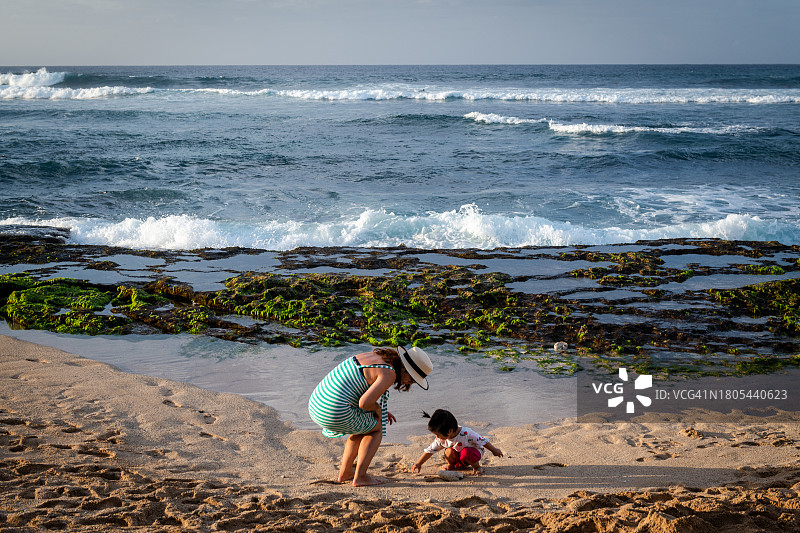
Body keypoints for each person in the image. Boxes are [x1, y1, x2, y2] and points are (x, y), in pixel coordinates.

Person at [308, 346, 433, 486]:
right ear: (405, 369)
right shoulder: (390, 374)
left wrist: (377, 410)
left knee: (365, 426)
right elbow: (364, 403)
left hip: (317, 405)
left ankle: (346, 472)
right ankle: (360, 476)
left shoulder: (375, 357)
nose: (410, 383)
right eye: (413, 379)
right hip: (334, 411)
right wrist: (378, 409)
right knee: (376, 429)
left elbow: (356, 392)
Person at [412, 409, 503, 476]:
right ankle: (452, 465)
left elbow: (483, 441)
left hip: (472, 453)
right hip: (458, 454)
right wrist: (419, 463)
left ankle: (477, 467)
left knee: (466, 453)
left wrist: (494, 450)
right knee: (448, 452)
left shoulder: (467, 433)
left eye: (438, 434)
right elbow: (430, 450)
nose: (437, 437)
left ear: (450, 431)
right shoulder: (441, 438)